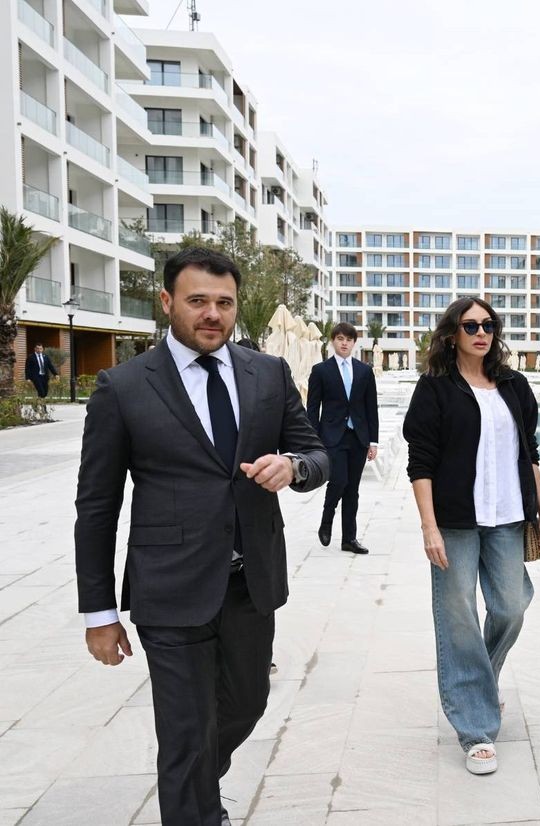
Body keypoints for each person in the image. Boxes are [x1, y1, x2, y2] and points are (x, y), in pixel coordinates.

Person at [74, 247, 329, 826]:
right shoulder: (124, 386)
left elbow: (316, 451)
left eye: (224, 303)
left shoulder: (267, 372)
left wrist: (294, 466)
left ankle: (191, 788)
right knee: (186, 732)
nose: (212, 314)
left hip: (250, 584)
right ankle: (193, 804)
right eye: (197, 302)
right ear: (167, 303)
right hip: (170, 590)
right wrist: (98, 611)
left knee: (247, 704)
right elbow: (96, 506)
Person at [403, 296, 540, 776]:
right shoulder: (435, 388)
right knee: (459, 618)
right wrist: (429, 526)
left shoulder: (514, 384)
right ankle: (474, 727)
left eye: (489, 325)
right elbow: (420, 463)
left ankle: (478, 688)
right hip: (454, 521)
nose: (481, 333)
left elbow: (530, 452)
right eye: (471, 326)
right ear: (452, 335)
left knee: (511, 606)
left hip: (509, 516)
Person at [306, 322, 380, 554]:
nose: (344, 343)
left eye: (348, 339)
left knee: (353, 489)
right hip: (331, 437)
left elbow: (371, 408)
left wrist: (373, 441)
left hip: (358, 437)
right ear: (333, 341)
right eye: (340, 338)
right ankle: (326, 522)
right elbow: (312, 408)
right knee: (338, 481)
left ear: (354, 343)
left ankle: (349, 538)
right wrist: (313, 440)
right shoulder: (321, 371)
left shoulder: (364, 371)